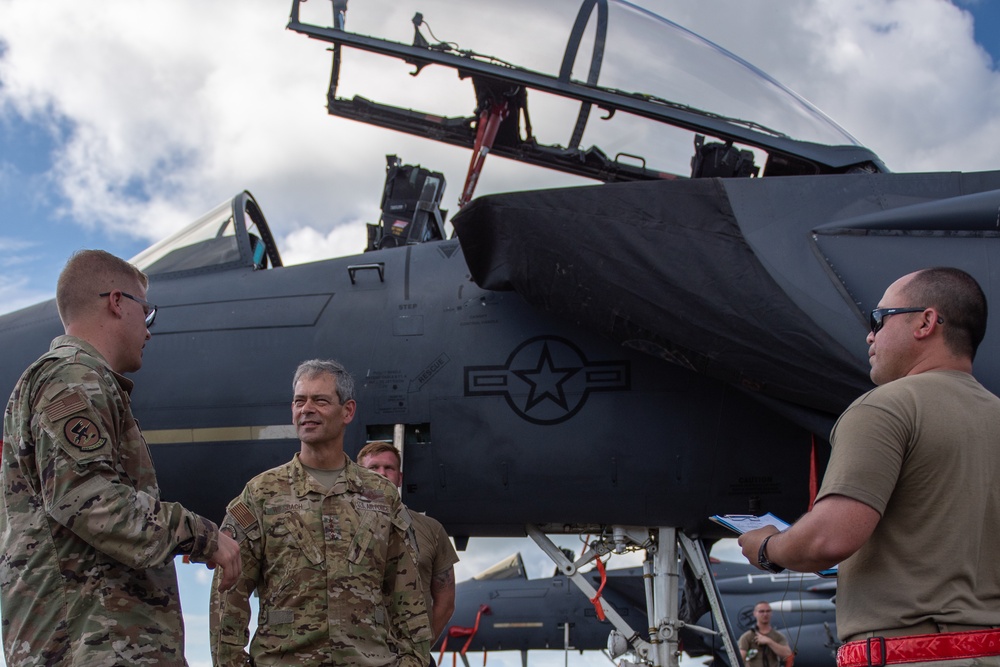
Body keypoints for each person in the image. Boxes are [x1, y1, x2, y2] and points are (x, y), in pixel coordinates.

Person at [737, 267, 1000, 666]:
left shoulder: (885, 407)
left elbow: (828, 540)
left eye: (879, 319)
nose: (869, 335)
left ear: (926, 322)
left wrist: (767, 548)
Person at [0, 249, 241, 667]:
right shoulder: (74, 376)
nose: (149, 331)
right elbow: (89, 500)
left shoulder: (72, 378)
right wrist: (201, 535)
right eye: (146, 313)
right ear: (116, 302)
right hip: (94, 643)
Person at [209, 359, 431, 667]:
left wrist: (413, 662)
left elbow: (407, 594)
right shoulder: (262, 494)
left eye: (320, 400)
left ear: (347, 411)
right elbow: (228, 591)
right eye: (300, 401)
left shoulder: (381, 496)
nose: (306, 409)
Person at [358, 441, 460, 649]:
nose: (382, 474)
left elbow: (446, 602)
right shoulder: (336, 525)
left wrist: (419, 650)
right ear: (357, 476)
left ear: (399, 477)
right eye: (373, 468)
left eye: (389, 468)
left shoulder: (431, 529)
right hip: (352, 655)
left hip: (409, 654)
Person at [738, 602, 792, 667]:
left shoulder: (778, 636)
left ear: (771, 613)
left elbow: (788, 654)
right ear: (755, 614)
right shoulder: (747, 636)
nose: (765, 614)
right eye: (761, 611)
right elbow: (739, 659)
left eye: (768, 611)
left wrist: (769, 641)